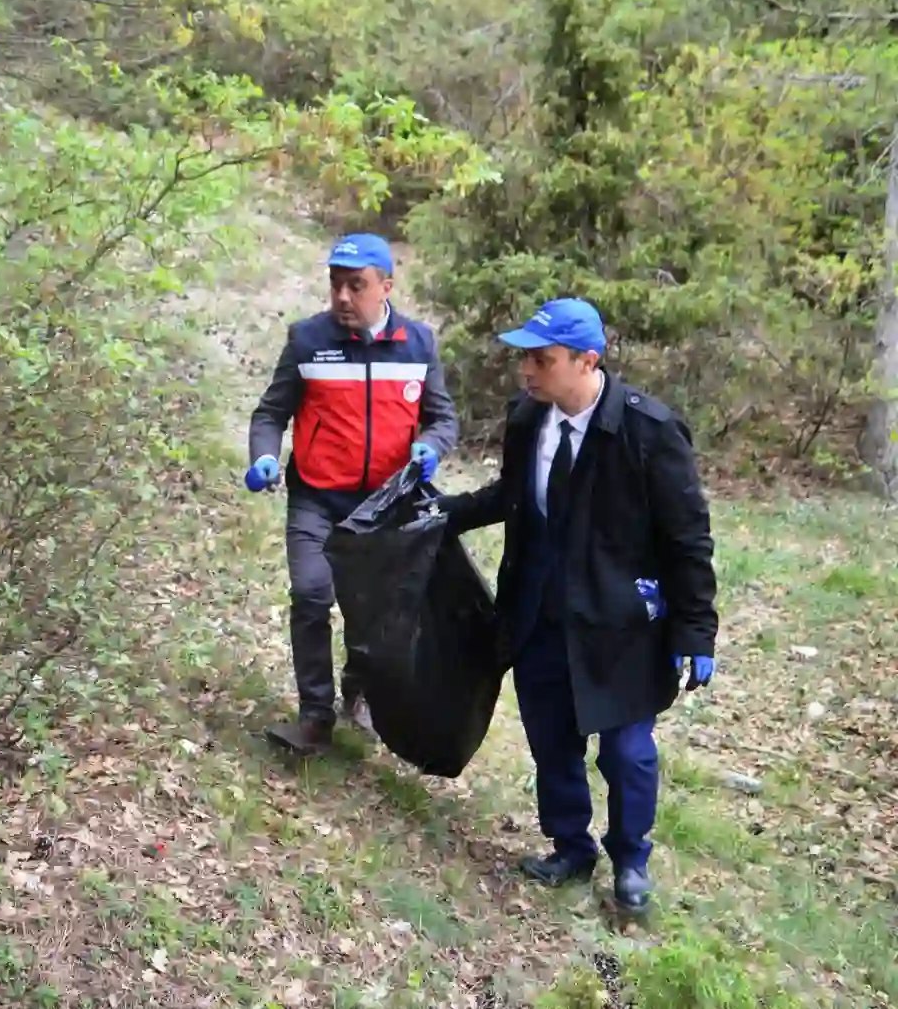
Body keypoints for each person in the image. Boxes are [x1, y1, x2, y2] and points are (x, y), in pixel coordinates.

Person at [437, 297, 718, 915]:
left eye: (543, 360)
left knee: (626, 750)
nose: (527, 372)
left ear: (587, 361)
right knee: (551, 739)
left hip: (620, 625)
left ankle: (630, 861)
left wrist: (696, 631)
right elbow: (511, 497)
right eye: (525, 360)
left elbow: (687, 539)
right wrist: (445, 513)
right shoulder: (527, 420)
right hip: (538, 612)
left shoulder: (649, 432)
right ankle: (570, 845)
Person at [247, 232, 459, 757]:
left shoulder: (418, 344)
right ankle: (314, 718)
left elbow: (442, 418)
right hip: (316, 497)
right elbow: (271, 412)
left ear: (385, 287)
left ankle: (359, 692)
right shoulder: (306, 340)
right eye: (336, 285)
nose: (343, 297)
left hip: (385, 505)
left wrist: (431, 447)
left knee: (375, 612)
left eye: (356, 286)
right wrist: (263, 455)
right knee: (313, 594)